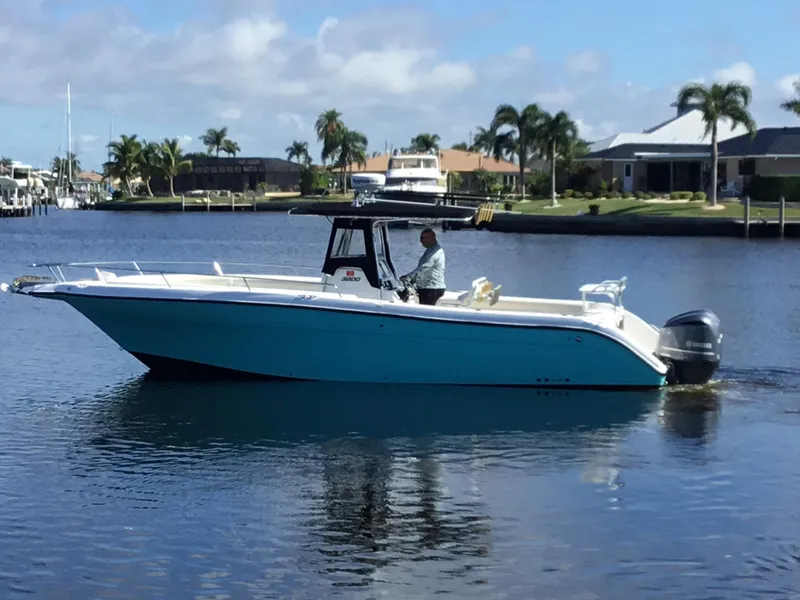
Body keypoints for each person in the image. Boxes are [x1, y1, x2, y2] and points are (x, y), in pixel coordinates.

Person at [401, 228, 445, 305]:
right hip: (427, 289)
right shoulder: (430, 250)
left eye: (422, 238)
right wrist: (413, 280)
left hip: (432, 289)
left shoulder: (434, 252)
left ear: (431, 237)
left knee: (427, 310)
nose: (420, 241)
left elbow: (424, 267)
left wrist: (408, 277)